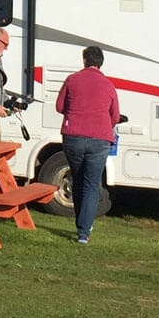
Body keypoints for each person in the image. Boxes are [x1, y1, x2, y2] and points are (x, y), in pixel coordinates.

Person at [55, 45, 120, 245]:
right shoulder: (108, 85)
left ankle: (81, 223)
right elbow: (115, 115)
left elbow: (59, 106)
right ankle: (84, 232)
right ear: (101, 63)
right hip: (99, 139)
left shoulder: (72, 80)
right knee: (91, 184)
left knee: (78, 178)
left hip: (73, 137)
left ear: (84, 60)